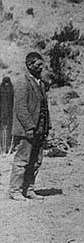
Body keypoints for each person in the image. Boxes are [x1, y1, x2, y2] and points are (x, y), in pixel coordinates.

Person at [8, 52, 51, 201]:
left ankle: (29, 188)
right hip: (27, 130)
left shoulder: (40, 83)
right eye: (38, 65)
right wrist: (29, 127)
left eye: (41, 65)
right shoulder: (22, 82)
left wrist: (46, 126)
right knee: (22, 160)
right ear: (29, 65)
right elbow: (21, 108)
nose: (41, 68)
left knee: (36, 161)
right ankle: (15, 190)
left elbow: (44, 107)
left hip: (40, 129)